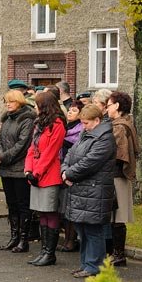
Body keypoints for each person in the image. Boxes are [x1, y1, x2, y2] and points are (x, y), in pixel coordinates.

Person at [61, 104, 116, 278]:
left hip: (95, 191)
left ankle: (94, 266)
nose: (83, 126)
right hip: (81, 189)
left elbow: (90, 162)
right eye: (82, 123)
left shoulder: (105, 139)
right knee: (82, 230)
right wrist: (64, 170)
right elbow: (70, 154)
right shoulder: (86, 134)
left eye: (86, 123)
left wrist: (68, 173)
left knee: (93, 230)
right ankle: (86, 264)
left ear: (97, 120)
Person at [25, 91, 66, 267]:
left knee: (50, 212)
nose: (35, 107)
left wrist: (37, 172)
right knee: (41, 212)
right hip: (36, 174)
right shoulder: (39, 124)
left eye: (37, 104)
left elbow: (50, 153)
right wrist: (28, 169)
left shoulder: (58, 124)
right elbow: (32, 148)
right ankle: (44, 251)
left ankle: (50, 253)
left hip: (49, 175)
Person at [0, 89, 36, 253]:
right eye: (6, 101)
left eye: (11, 101)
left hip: (20, 168)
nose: (8, 104)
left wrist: (4, 156)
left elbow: (23, 144)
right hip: (6, 168)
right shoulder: (6, 119)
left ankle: (23, 239)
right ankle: (14, 237)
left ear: (19, 102)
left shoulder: (27, 119)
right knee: (11, 204)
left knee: (22, 205)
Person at [105, 91, 140, 267]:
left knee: (117, 216)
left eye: (109, 105)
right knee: (115, 216)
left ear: (117, 106)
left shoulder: (119, 127)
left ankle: (118, 254)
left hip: (117, 175)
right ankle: (115, 253)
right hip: (117, 175)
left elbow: (118, 154)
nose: (107, 108)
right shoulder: (125, 123)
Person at [57, 99, 84, 252]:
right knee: (63, 207)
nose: (70, 112)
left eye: (74, 110)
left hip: (72, 171)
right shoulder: (66, 127)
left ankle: (71, 240)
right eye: (69, 110)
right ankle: (67, 239)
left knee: (70, 206)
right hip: (62, 168)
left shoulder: (80, 129)